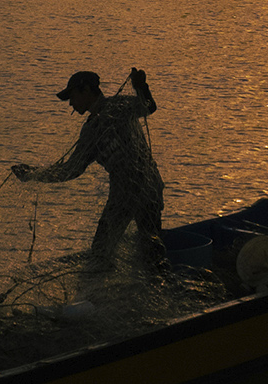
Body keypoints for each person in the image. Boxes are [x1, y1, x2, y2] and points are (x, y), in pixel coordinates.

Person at [12, 67, 163, 260]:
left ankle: (107, 281)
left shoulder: (118, 106)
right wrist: (34, 174)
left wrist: (141, 86)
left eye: (72, 96)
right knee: (151, 246)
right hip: (147, 187)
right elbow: (70, 170)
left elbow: (148, 106)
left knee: (102, 251)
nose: (71, 104)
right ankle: (154, 281)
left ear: (86, 90)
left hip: (131, 192)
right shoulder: (92, 129)